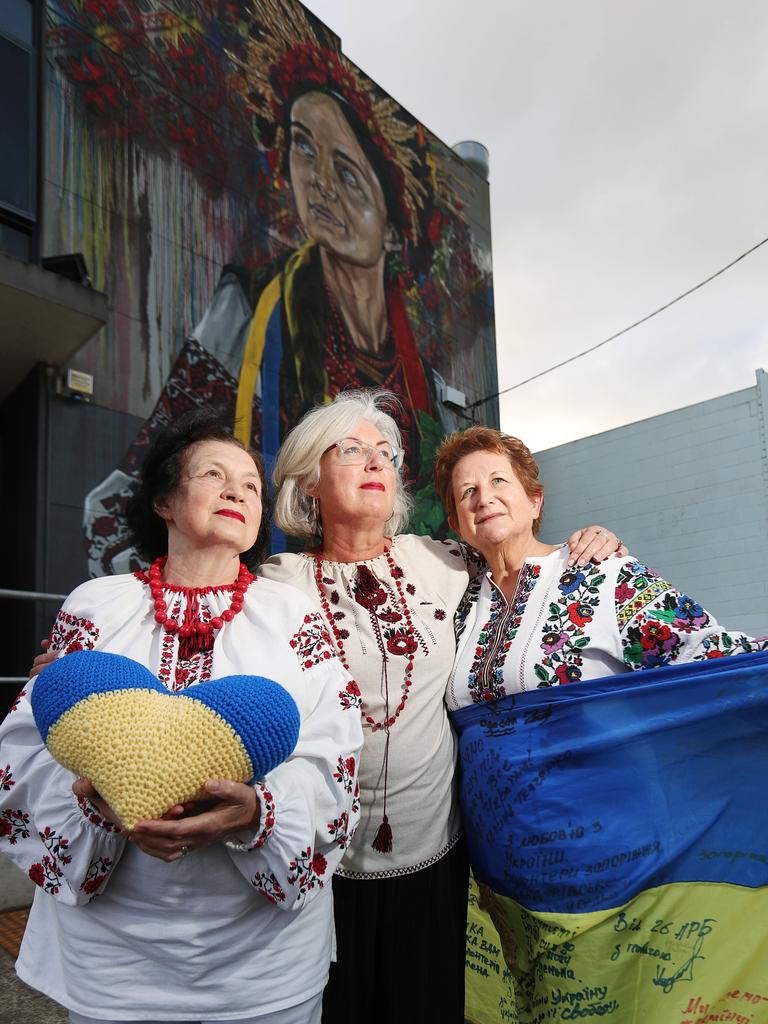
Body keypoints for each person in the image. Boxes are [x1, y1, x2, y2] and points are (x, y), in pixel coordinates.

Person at [257, 390, 623, 1024]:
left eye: (386, 451)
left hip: (437, 861)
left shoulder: (442, 561)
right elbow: (195, 627)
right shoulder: (274, 585)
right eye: (351, 449)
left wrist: (588, 545)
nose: (376, 461)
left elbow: (520, 557)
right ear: (309, 479)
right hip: (323, 863)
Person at [0, 410, 362, 1024]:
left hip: (262, 967)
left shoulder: (294, 614)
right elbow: (28, 746)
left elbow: (336, 755)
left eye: (251, 485)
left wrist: (255, 814)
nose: (237, 491)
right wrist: (98, 801)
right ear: (165, 500)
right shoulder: (97, 605)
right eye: (213, 475)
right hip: (111, 962)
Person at [432, 425, 768, 703]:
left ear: (535, 501)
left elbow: (708, 653)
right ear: (457, 524)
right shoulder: (458, 605)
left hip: (592, 782)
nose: (484, 498)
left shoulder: (601, 570)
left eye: (498, 481)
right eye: (468, 491)